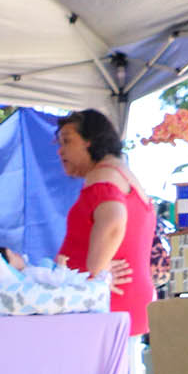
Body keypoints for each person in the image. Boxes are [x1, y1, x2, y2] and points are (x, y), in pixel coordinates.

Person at [54, 108, 154, 337]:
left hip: (106, 309)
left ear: (90, 141)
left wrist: (97, 273)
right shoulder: (124, 175)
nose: (61, 150)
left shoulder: (103, 175)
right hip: (122, 307)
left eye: (67, 141)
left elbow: (114, 220)